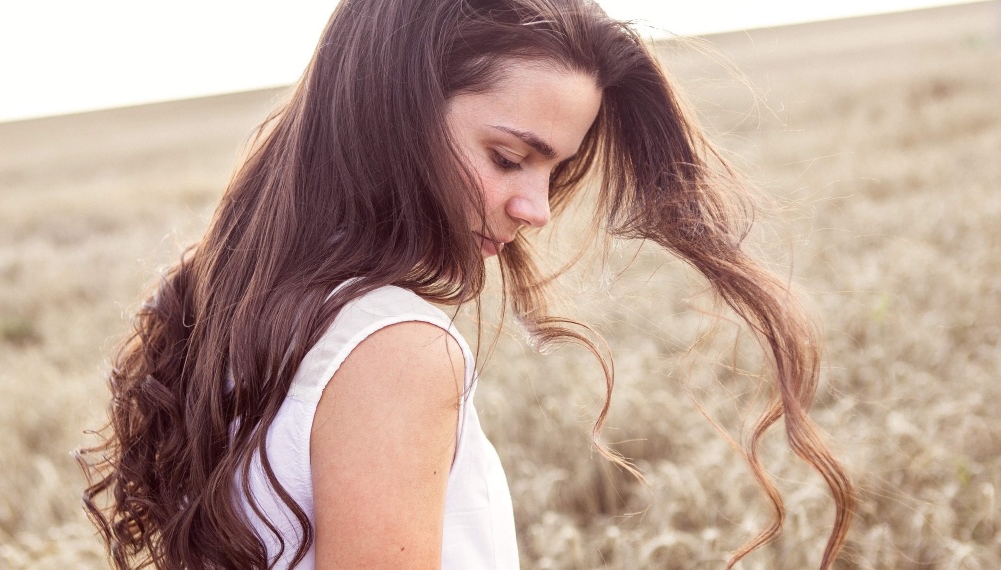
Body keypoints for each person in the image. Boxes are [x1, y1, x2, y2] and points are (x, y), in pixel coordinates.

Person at [77, 0, 854, 568]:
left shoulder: (238, 301)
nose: (537, 209)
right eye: (510, 157)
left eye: (557, 169)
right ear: (391, 111)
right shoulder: (393, 349)